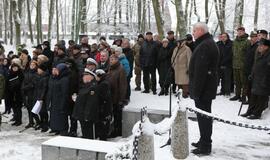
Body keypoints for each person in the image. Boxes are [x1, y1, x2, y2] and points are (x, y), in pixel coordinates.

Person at [189, 22, 219, 155]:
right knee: (203, 117)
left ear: (200, 30)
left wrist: (195, 92)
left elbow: (201, 72)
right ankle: (203, 140)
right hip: (205, 88)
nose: (193, 33)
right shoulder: (206, 43)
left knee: (204, 117)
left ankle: (206, 145)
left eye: (194, 31)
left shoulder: (205, 45)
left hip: (203, 90)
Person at [240, 38, 270, 119]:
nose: (259, 47)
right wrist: (251, 74)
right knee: (253, 96)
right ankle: (250, 111)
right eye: (259, 45)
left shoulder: (268, 55)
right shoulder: (259, 54)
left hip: (264, 80)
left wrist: (266, 80)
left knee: (261, 98)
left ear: (266, 47)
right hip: (256, 78)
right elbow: (255, 66)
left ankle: (257, 113)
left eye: (261, 45)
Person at [73, 68, 99, 139]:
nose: (83, 77)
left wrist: (87, 115)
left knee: (89, 134)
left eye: (85, 75)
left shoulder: (92, 87)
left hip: (87, 116)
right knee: (85, 133)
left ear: (91, 76)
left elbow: (91, 103)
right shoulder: (85, 86)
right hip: (82, 114)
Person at [107, 54, 127, 137]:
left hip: (117, 97)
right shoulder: (111, 68)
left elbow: (123, 85)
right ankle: (114, 129)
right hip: (111, 95)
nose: (111, 61)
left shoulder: (120, 69)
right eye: (110, 59)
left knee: (117, 115)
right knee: (113, 114)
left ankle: (117, 131)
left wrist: (121, 99)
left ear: (116, 60)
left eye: (112, 59)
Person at [230, 27, 250, 103]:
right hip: (235, 64)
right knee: (236, 81)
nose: (239, 33)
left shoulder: (247, 42)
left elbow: (248, 54)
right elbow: (233, 52)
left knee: (244, 82)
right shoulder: (235, 41)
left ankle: (243, 96)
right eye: (238, 31)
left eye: (241, 31)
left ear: (244, 32)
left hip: (243, 65)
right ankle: (237, 95)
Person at [21, 60, 40, 128]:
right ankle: (31, 122)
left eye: (33, 65)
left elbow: (33, 84)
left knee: (33, 109)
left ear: (36, 66)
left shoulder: (37, 73)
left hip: (34, 93)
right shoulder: (27, 73)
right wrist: (23, 87)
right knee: (29, 108)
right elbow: (24, 81)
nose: (32, 66)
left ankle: (38, 121)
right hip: (27, 93)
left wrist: (25, 87)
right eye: (31, 65)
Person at [95, 69, 113, 140]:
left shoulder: (103, 84)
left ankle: (103, 138)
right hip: (104, 108)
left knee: (103, 126)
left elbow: (103, 98)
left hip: (104, 109)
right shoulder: (103, 83)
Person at [7, 58, 24, 126]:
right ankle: (16, 119)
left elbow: (22, 83)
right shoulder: (9, 74)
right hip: (11, 94)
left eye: (16, 67)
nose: (14, 69)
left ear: (18, 67)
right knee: (14, 108)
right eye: (13, 67)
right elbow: (7, 84)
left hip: (18, 94)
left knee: (18, 108)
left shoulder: (20, 74)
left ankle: (19, 121)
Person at [34, 62, 50, 132]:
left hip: (43, 98)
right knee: (40, 112)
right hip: (39, 96)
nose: (37, 70)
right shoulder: (39, 76)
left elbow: (44, 88)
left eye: (39, 69)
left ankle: (45, 125)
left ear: (42, 70)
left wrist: (41, 98)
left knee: (43, 112)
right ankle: (42, 124)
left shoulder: (45, 77)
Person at [244, 32, 258, 102]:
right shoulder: (249, 45)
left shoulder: (257, 46)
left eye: (254, 37)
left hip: (252, 70)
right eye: (251, 37)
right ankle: (249, 100)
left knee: (252, 87)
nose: (252, 38)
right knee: (247, 86)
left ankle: (252, 101)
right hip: (247, 68)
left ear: (257, 38)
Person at [122, 38, 134, 103]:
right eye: (123, 43)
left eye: (125, 44)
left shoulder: (130, 51)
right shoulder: (121, 51)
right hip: (121, 71)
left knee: (127, 84)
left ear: (128, 44)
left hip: (127, 71)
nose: (124, 45)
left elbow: (130, 63)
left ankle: (127, 97)